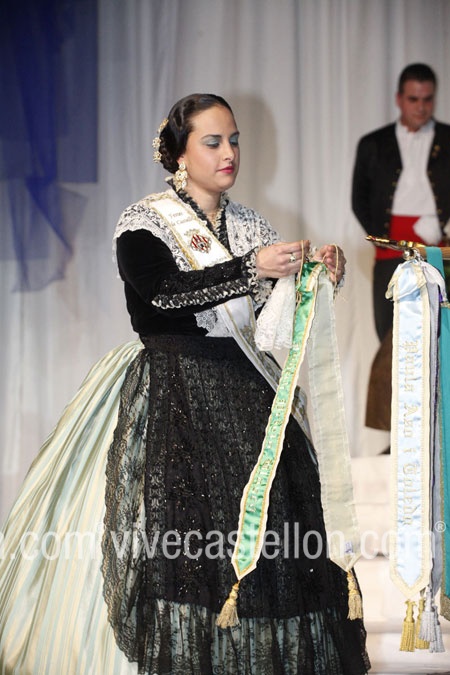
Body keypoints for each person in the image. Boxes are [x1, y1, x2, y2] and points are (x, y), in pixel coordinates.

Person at [0, 93, 370, 674]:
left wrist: (316, 278)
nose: (229, 153)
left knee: (273, 528)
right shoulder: (144, 222)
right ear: (179, 154)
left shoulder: (250, 225)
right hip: (174, 390)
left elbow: (272, 324)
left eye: (235, 140)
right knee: (185, 535)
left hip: (247, 390)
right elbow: (163, 294)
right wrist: (250, 268)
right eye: (213, 142)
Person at [352, 63, 450, 430]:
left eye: (427, 99)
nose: (421, 107)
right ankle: (403, 431)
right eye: (413, 99)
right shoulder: (373, 144)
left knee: (440, 336)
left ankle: (439, 429)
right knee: (390, 336)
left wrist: (440, 227)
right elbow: (359, 199)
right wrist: (387, 238)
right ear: (399, 99)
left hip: (441, 252)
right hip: (390, 254)